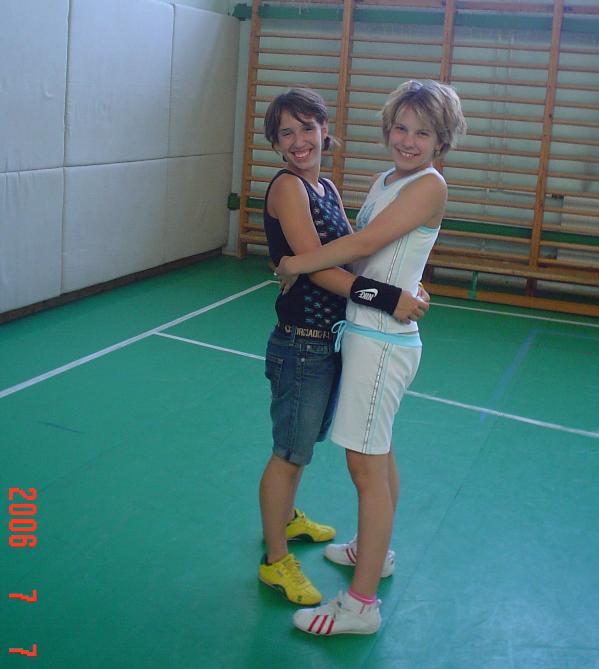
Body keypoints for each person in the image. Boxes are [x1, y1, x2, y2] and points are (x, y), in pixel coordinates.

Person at [275, 80, 467, 635]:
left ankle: (360, 606)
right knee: (378, 456)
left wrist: (297, 262)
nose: (407, 140)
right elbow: (376, 258)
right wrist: (406, 284)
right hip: (367, 332)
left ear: (441, 141)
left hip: (383, 343)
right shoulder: (388, 179)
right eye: (400, 128)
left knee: (365, 466)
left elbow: (361, 246)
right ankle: (373, 553)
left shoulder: (429, 186)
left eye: (422, 133)